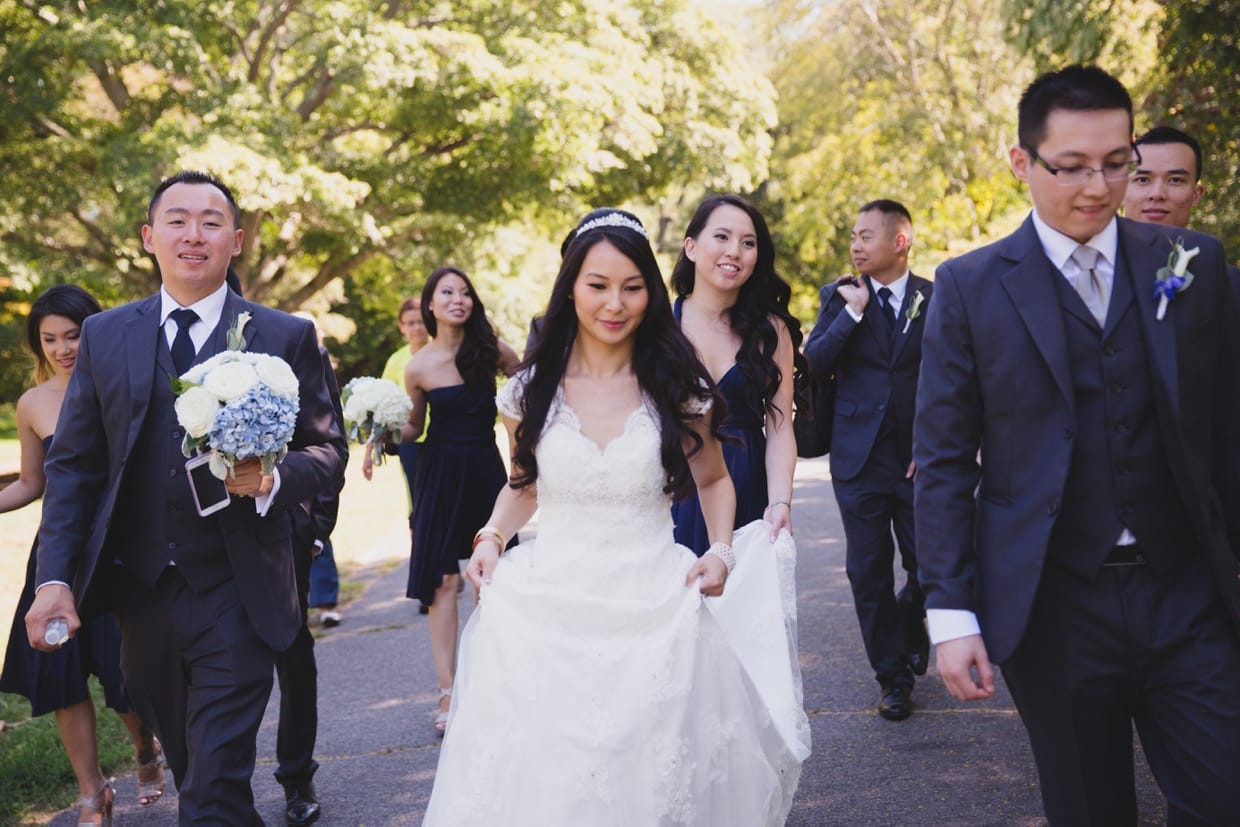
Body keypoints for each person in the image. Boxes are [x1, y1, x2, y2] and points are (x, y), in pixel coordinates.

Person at [915, 65, 1240, 823]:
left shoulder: (1188, 266)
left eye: (1116, 161)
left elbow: (1226, 428)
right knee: (1090, 809)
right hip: (1054, 603)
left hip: (1186, 592)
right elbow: (943, 457)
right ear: (1022, 162)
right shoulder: (969, 285)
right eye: (1072, 166)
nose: (1099, 186)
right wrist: (951, 611)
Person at [421, 208, 809, 826]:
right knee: (554, 777)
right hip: (550, 609)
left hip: (656, 603)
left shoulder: (679, 385)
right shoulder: (529, 391)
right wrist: (493, 535)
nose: (614, 303)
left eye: (632, 286)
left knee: (651, 777)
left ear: (650, 292)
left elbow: (713, 479)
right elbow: (525, 483)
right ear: (571, 285)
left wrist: (720, 552)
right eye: (597, 285)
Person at [25, 170, 348, 824]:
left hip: (241, 585)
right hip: (141, 598)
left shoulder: (285, 334)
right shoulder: (109, 336)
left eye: (210, 220)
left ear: (235, 241)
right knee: (198, 773)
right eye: (176, 219)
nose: (192, 233)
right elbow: (75, 469)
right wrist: (54, 577)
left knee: (207, 795)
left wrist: (274, 479)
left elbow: (328, 449)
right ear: (150, 237)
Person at [0, 285, 164, 825]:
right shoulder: (32, 403)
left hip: (118, 550)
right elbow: (32, 483)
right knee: (60, 675)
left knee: (127, 678)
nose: (62, 348)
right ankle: (93, 794)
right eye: (49, 339)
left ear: (93, 330)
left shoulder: (125, 385)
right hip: (57, 559)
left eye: (72, 335)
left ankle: (145, 747)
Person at [804, 200, 933, 721]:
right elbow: (813, 362)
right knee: (867, 571)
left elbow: (953, 374)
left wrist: (933, 444)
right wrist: (853, 312)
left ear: (899, 242)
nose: (856, 246)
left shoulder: (936, 296)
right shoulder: (838, 298)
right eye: (853, 236)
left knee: (931, 566)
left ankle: (911, 618)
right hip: (857, 459)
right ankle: (892, 678)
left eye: (866, 236)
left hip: (917, 459)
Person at [383, 266, 518, 734]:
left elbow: (528, 387)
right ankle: (447, 690)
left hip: (484, 468)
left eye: (465, 291)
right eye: (447, 292)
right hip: (439, 474)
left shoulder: (492, 351)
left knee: (491, 577)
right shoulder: (417, 366)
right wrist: (377, 425)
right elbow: (411, 428)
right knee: (442, 582)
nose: (458, 299)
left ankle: (496, 682)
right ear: (430, 304)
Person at [669, 194, 804, 555]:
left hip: (747, 486)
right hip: (672, 487)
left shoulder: (772, 332)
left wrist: (779, 503)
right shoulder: (658, 329)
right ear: (692, 247)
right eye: (722, 237)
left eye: (748, 243)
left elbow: (779, 427)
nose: (735, 251)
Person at [276, 311, 347, 827]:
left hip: (284, 531)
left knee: (292, 652)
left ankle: (296, 776)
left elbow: (326, 441)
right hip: (200, 539)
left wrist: (316, 527)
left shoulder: (296, 344)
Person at [1124, 125, 1240, 297]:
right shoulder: (1089, 273)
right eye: (1142, 179)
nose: (1157, 194)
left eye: (1175, 180)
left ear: (1196, 195)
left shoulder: (1229, 285)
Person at [379, 296, 432, 614]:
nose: (416, 327)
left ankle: (447, 565)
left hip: (440, 439)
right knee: (419, 507)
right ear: (402, 328)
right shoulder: (397, 361)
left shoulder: (440, 351)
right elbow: (385, 399)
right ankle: (426, 580)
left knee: (440, 503)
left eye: (420, 321)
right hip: (411, 443)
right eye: (410, 322)